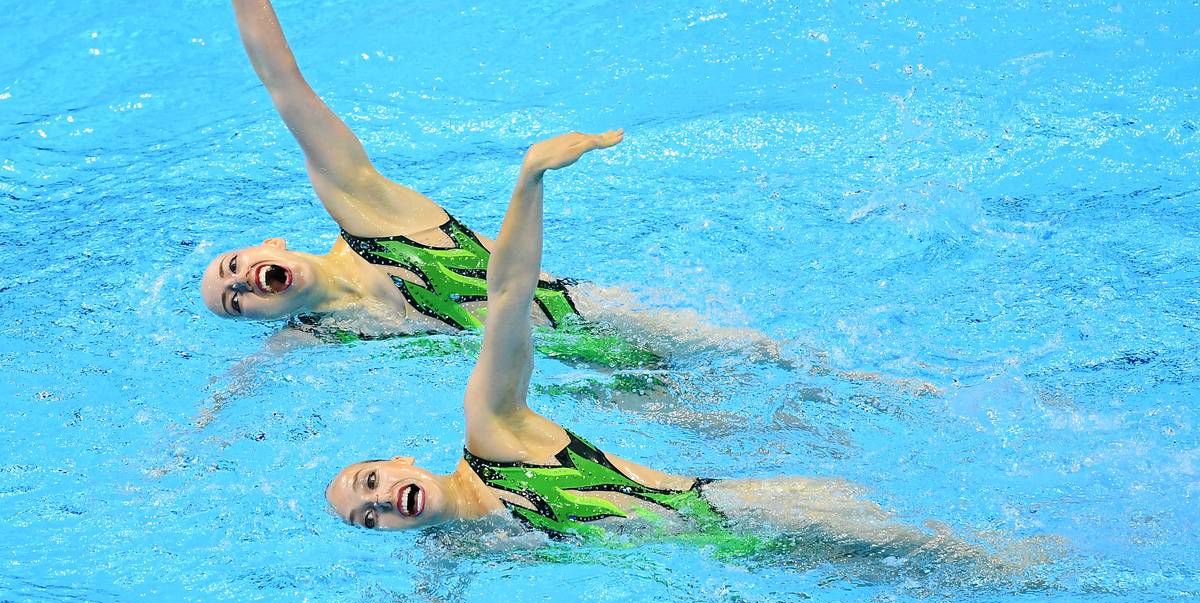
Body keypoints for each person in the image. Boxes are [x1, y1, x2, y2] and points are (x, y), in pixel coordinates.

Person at [325, 130, 998, 565]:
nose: (380, 503)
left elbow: (507, 297)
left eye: (370, 483)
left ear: (400, 459)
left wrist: (530, 178)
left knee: (986, 564)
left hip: (754, 513)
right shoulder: (467, 547)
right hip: (743, 558)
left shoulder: (494, 434)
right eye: (368, 519)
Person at [199, 0, 790, 369]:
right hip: (576, 372)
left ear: (271, 246)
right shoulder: (320, 334)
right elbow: (239, 383)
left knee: (769, 360)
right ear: (258, 318)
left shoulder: (364, 211)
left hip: (590, 314)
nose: (240, 283)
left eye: (232, 266)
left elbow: (283, 82)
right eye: (235, 302)